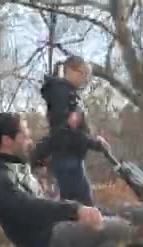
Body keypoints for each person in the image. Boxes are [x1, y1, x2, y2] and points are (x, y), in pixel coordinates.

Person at [0, 112, 143, 247]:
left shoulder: (15, 164)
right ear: (7, 141)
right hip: (44, 244)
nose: (30, 140)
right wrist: (74, 210)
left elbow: (50, 143)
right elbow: (27, 206)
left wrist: (87, 140)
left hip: (52, 232)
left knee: (106, 216)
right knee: (120, 227)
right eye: (25, 135)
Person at [36, 55, 108, 206]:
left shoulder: (69, 94)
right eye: (82, 73)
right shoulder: (61, 94)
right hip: (66, 157)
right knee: (83, 207)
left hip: (72, 156)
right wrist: (94, 143)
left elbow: (74, 126)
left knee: (78, 207)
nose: (84, 79)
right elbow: (66, 130)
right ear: (70, 70)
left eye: (87, 75)